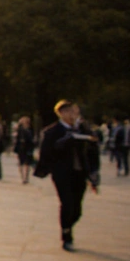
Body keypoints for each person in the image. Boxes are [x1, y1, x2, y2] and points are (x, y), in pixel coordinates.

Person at [35, 100, 100, 252]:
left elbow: (92, 150)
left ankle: (69, 224)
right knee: (67, 203)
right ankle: (66, 235)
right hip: (62, 174)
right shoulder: (52, 132)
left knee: (77, 208)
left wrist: (94, 172)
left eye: (75, 112)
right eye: (70, 112)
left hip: (80, 172)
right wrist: (63, 143)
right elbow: (47, 153)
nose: (73, 115)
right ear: (62, 113)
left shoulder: (83, 129)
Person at [14, 116, 36, 183]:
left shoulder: (30, 129)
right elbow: (16, 139)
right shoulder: (19, 129)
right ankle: (23, 177)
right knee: (21, 163)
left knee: (27, 163)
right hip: (21, 148)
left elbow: (32, 139)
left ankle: (25, 177)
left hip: (28, 147)